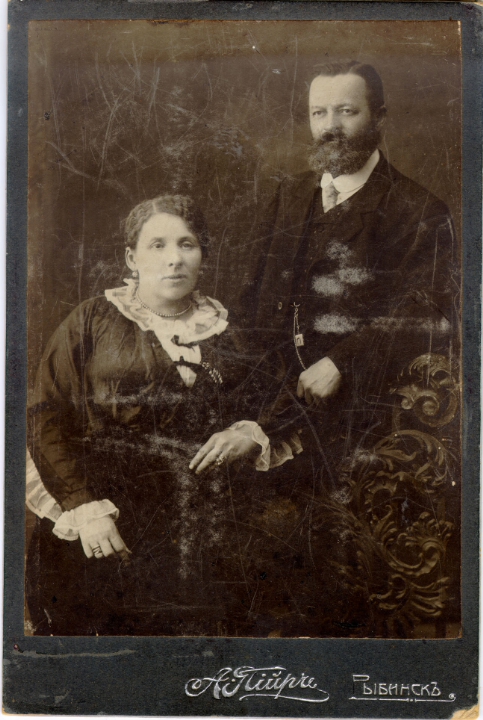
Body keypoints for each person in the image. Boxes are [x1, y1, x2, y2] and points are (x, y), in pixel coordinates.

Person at [26, 194, 303, 637]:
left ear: (203, 256)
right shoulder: (91, 320)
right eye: (157, 245)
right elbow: (46, 418)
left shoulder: (229, 332)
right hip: (104, 525)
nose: (174, 259)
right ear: (131, 258)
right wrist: (85, 509)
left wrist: (250, 432)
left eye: (186, 244)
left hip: (199, 535)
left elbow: (283, 396)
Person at [242, 60, 459, 477]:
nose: (330, 126)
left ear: (380, 117)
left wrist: (341, 362)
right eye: (319, 113)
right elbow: (250, 297)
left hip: (356, 419)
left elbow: (426, 313)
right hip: (269, 403)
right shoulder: (289, 195)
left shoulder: (419, 211)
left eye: (346, 111)